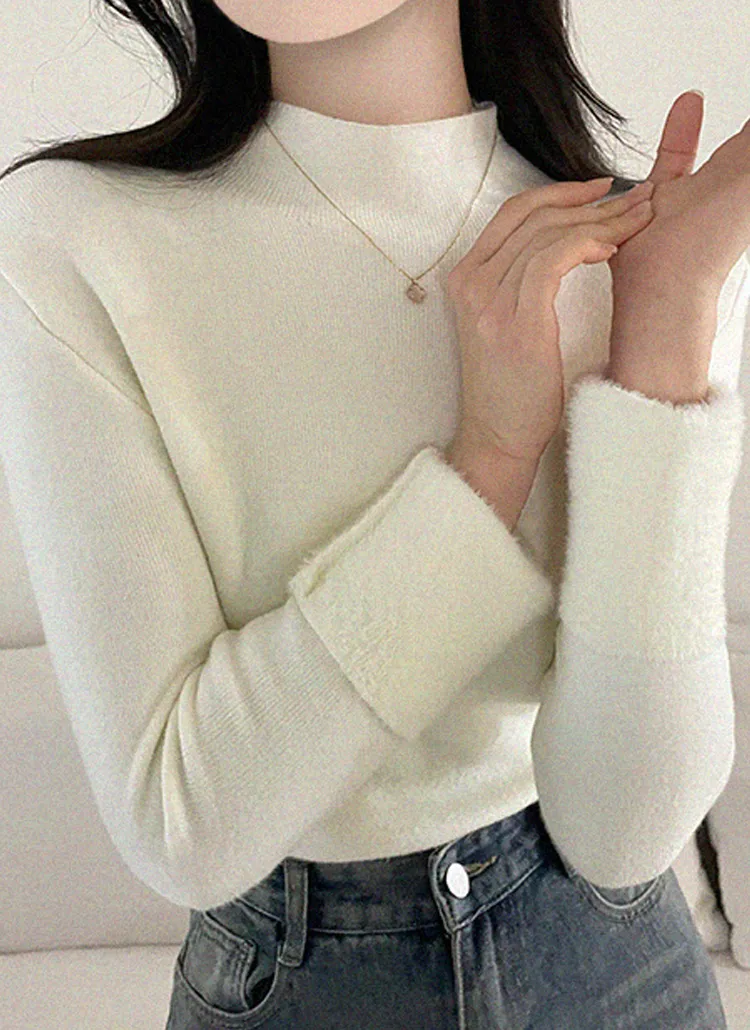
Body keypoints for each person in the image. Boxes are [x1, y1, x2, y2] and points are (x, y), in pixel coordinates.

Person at [1, 1, 747, 1026]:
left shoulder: (637, 244)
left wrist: (666, 313)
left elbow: (624, 834)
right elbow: (183, 824)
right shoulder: (72, 239)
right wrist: (489, 460)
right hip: (294, 980)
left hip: (625, 979)